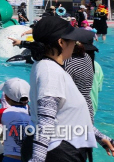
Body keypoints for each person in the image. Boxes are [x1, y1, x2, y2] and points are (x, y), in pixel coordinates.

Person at [26, 16, 113, 161]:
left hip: (61, 149)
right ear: (61, 43)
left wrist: (99, 136)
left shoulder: (49, 67)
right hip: (57, 152)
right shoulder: (50, 72)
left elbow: (68, 117)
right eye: (73, 40)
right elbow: (45, 121)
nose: (75, 44)